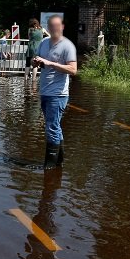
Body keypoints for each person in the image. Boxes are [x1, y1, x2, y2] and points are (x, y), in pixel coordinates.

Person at [32, 15, 77, 169]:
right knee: (54, 126)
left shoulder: (67, 46)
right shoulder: (44, 42)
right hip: (45, 91)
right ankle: (59, 162)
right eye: (51, 26)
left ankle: (49, 167)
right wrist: (36, 62)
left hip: (58, 94)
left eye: (57, 26)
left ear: (62, 28)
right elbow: (37, 60)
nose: (54, 29)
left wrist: (50, 63)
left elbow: (73, 70)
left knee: (51, 127)